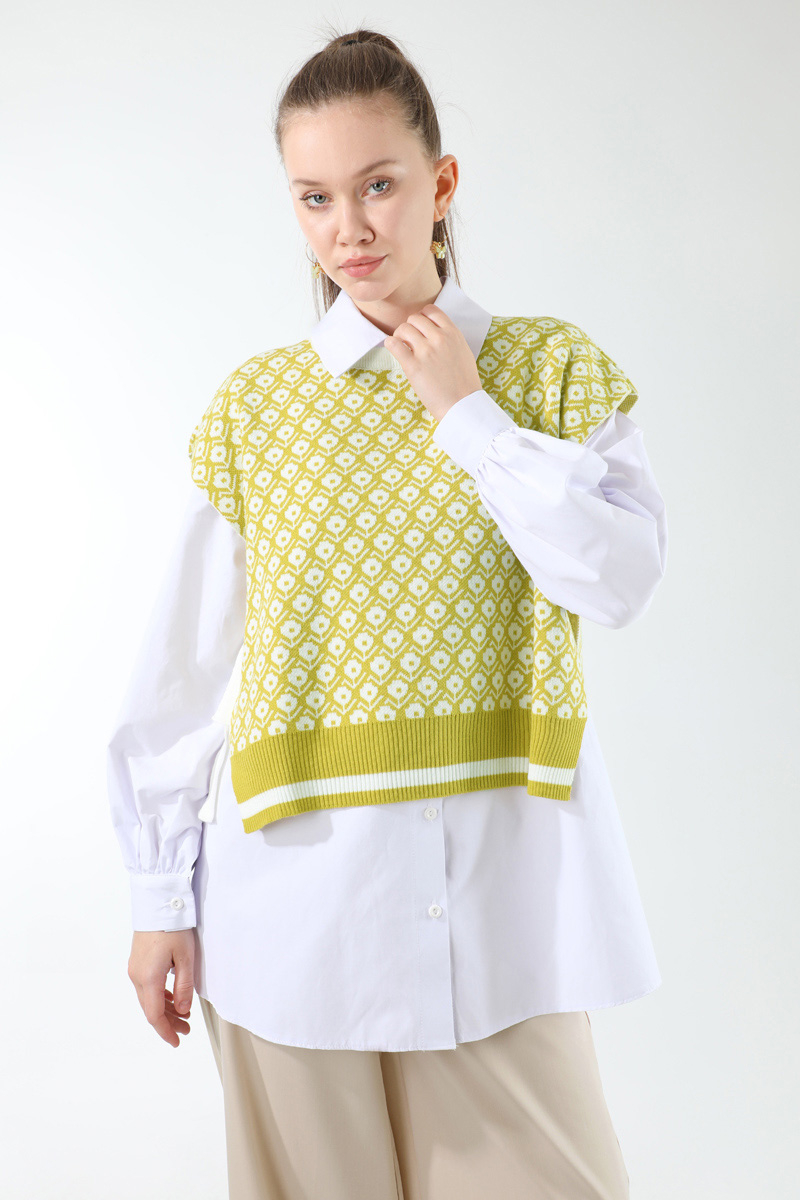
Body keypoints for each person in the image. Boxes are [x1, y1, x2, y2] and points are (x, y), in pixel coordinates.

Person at [107, 26, 668, 1200]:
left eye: (377, 186)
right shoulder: (257, 410)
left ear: (440, 184)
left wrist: (469, 419)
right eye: (314, 197)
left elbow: (616, 578)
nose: (348, 229)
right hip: (290, 921)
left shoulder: (547, 372)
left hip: (505, 915)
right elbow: (180, 674)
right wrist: (159, 896)